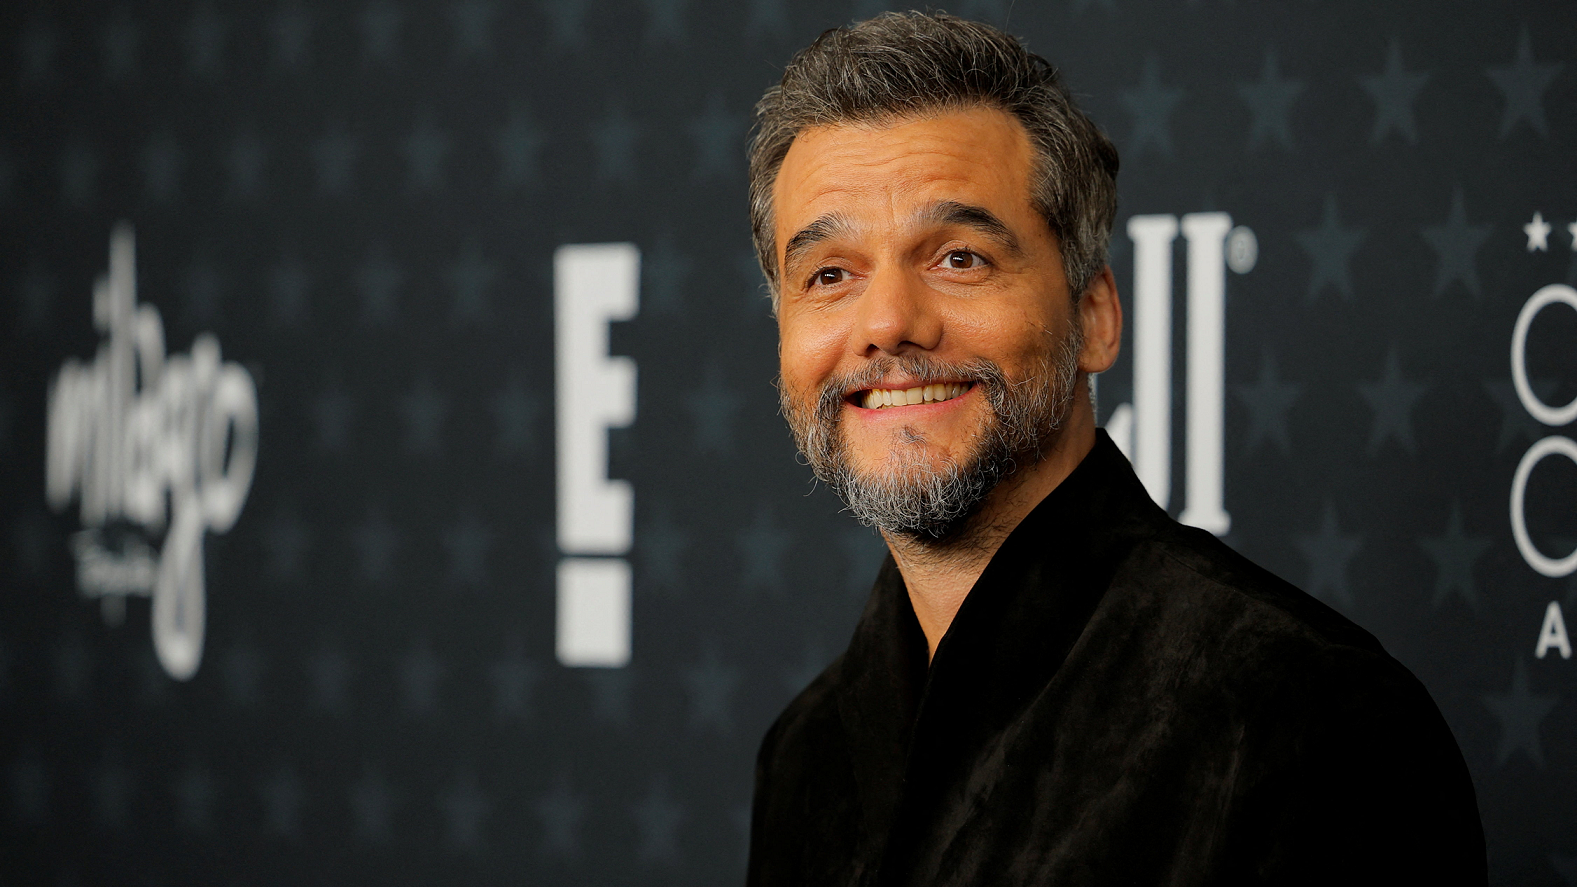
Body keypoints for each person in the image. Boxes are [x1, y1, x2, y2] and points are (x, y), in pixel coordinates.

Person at [744, 12, 1485, 886]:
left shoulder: (1302, 714)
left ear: (1093, 315)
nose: (886, 322)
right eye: (829, 273)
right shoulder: (803, 754)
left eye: (958, 257)